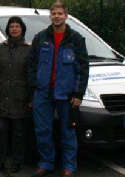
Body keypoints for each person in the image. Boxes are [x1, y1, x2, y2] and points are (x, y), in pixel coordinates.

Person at [27, 2, 89, 177]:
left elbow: (83, 68)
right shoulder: (40, 37)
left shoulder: (75, 39)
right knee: (42, 131)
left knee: (68, 131)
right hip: (43, 93)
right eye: (54, 13)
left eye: (60, 13)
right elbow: (31, 65)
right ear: (50, 16)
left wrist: (79, 93)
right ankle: (46, 163)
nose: (57, 16)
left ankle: (69, 166)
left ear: (66, 16)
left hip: (67, 95)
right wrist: (33, 89)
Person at [0, 16, 31, 173]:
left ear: (22, 29)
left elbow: (31, 74)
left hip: (20, 97)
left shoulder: (29, 49)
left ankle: (16, 162)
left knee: (18, 133)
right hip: (1, 96)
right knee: (0, 131)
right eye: (11, 26)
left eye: (17, 26)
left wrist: (31, 96)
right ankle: (0, 161)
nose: (14, 28)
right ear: (8, 29)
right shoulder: (0, 49)